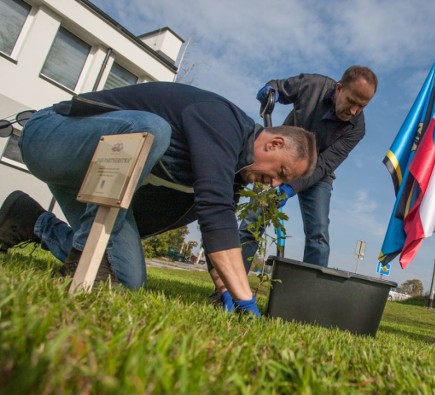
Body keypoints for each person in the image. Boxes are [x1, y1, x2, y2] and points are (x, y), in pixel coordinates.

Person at [0, 81, 317, 316]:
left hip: (89, 180)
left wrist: (225, 290)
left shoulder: (235, 171)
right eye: (282, 173)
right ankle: (80, 258)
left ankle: (29, 219)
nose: (274, 184)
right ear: (274, 144)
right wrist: (246, 297)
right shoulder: (222, 121)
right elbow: (214, 212)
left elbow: (221, 230)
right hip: (51, 137)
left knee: (127, 280)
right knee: (152, 128)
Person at [238, 65, 378, 271]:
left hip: (317, 175)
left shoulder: (357, 128)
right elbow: (279, 86)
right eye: (351, 101)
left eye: (361, 106)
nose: (354, 111)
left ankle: (307, 300)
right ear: (339, 88)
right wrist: (271, 91)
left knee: (318, 234)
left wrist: (290, 187)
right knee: (253, 221)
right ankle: (229, 288)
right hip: (281, 161)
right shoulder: (313, 85)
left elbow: (325, 164)